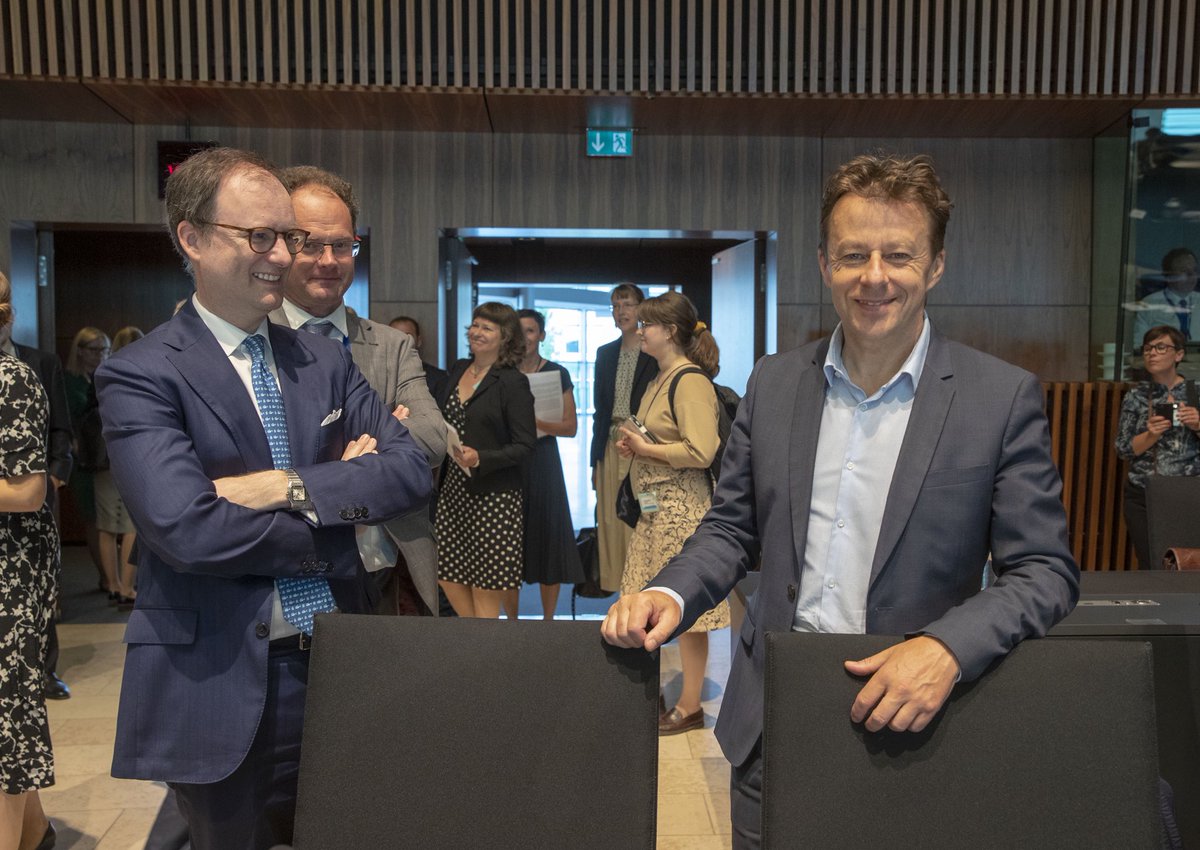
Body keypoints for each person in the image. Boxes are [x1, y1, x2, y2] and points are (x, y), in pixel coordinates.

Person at [602, 153, 1079, 847]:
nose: (874, 276)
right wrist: (669, 593)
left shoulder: (998, 398)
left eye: (899, 255)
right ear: (825, 264)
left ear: (936, 266)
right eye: (854, 255)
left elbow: (1043, 570)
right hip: (771, 724)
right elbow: (731, 527)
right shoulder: (773, 384)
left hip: (913, 720)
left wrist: (947, 648)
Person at [94, 146, 432, 850]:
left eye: (289, 236)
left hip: (339, 666)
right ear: (191, 237)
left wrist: (291, 485)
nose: (282, 256)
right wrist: (341, 520)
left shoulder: (324, 359)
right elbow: (187, 529)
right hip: (218, 679)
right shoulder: (142, 373)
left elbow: (408, 470)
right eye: (259, 236)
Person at [275, 165, 448, 617]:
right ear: (280, 245)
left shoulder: (391, 346)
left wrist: (332, 451)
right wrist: (384, 429)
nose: (328, 260)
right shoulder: (251, 341)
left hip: (384, 568)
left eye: (341, 245)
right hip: (286, 567)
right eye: (310, 244)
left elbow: (434, 439)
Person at [615, 291, 729, 735]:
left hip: (682, 510)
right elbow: (662, 440)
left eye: (648, 324)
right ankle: (654, 696)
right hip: (654, 510)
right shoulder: (658, 377)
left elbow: (702, 451)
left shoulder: (690, 380)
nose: (640, 330)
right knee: (645, 599)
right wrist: (638, 447)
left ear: (671, 331)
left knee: (687, 610)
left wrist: (647, 450)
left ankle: (689, 705)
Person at [0, 271, 59, 850]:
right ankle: (35, 832)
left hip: (8, 573)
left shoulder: (11, 379)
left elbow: (26, 492)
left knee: (4, 722)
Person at [435, 302, 536, 619]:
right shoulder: (458, 368)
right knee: (447, 574)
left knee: (486, 587)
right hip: (454, 491)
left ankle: (484, 641)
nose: (477, 332)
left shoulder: (512, 382)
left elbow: (525, 446)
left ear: (505, 337)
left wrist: (482, 458)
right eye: (475, 325)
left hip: (494, 498)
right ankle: (475, 634)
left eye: (487, 328)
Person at [0, 295, 74, 702]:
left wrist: (56, 474)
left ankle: (45, 670)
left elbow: (61, 425)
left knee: (33, 601)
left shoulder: (31, 367)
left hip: (30, 498)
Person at [514, 308, 584, 619]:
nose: (524, 338)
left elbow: (570, 427)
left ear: (541, 335)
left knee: (548, 534)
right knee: (510, 539)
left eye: (530, 331)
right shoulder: (503, 372)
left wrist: (534, 423)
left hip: (544, 462)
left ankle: (548, 619)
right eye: (518, 332)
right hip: (510, 461)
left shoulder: (557, 372)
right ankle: (510, 621)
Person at [1115, 325, 1200, 569]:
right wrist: (1151, 435)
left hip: (1189, 494)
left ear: (1179, 354)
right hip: (1144, 493)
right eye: (1148, 348)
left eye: (1161, 347)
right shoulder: (1137, 396)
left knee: (1187, 565)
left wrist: (1197, 424)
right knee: (1152, 565)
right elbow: (1122, 448)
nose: (1152, 353)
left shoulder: (1195, 391)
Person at [591, 283, 658, 592]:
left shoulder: (652, 351)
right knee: (610, 519)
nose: (621, 312)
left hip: (643, 445)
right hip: (610, 442)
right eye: (615, 306)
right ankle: (619, 589)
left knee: (641, 514)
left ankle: (644, 586)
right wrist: (594, 461)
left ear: (641, 308)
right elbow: (599, 411)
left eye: (627, 304)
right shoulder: (605, 353)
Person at [63, 326, 110, 594]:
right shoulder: (70, 381)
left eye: (104, 349)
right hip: (82, 459)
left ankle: (110, 577)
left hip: (103, 457)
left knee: (107, 519)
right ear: (79, 351)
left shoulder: (105, 377)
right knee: (93, 518)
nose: (99, 355)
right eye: (94, 350)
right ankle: (105, 576)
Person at [1132, 248, 1198, 345]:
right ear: (1169, 275)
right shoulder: (1149, 304)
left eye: (1195, 270)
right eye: (1184, 270)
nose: (1191, 275)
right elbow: (1138, 345)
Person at [389, 315, 449, 401]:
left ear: (419, 341)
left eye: (407, 336)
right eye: (395, 336)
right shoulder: (375, 375)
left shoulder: (439, 379)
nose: (401, 341)